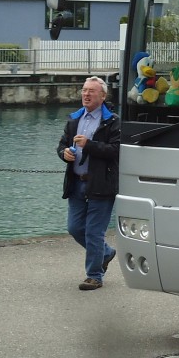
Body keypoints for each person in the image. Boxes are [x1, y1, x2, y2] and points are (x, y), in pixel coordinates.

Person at [56, 76, 121, 290]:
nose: (86, 94)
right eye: (84, 90)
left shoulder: (112, 121)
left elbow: (116, 150)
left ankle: (94, 276)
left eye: (91, 91)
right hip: (76, 184)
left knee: (94, 232)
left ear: (102, 96)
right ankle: (106, 253)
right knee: (75, 228)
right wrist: (63, 153)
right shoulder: (75, 119)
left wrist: (89, 144)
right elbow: (62, 144)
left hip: (101, 185)